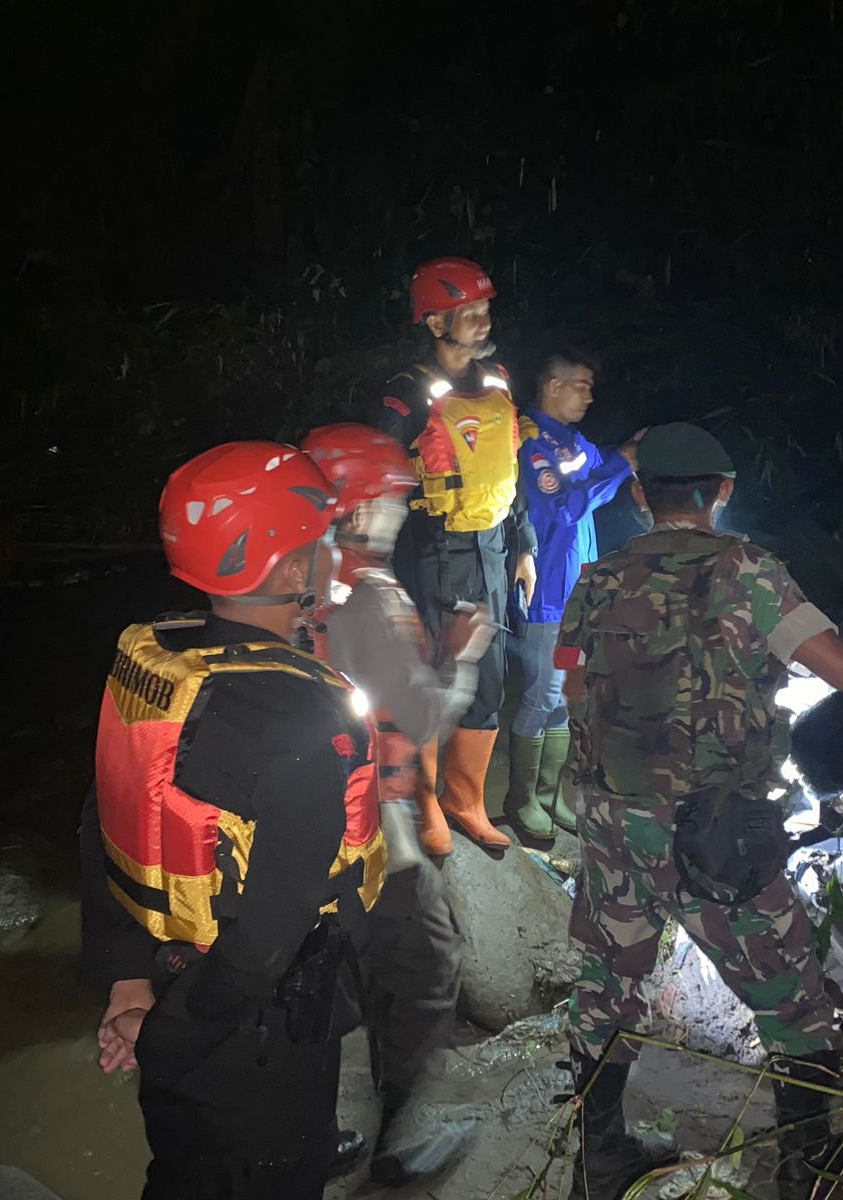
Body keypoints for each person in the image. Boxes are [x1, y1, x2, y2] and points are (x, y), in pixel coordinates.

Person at [556, 422, 843, 1200]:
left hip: (614, 822)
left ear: (642, 495)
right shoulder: (749, 571)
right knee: (794, 1006)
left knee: (606, 989)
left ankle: (595, 1166)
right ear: (723, 491)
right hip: (717, 826)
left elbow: (575, 691)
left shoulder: (599, 577)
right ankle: (806, 1176)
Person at [79, 441, 388, 1200]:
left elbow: (101, 820)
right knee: (270, 1173)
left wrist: (128, 986)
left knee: (183, 1168)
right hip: (249, 1029)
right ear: (290, 573)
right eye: (321, 544)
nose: (332, 556)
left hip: (162, 973)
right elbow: (269, 939)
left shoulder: (158, 661)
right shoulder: (306, 718)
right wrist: (170, 1036)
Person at [298, 422, 491, 1185]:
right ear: (356, 505)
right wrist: (465, 656)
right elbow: (425, 716)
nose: (401, 512)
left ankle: (321, 1131)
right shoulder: (375, 596)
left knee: (338, 974)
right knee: (426, 963)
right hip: (376, 825)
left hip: (306, 823)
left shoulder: (298, 578)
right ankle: (411, 1142)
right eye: (390, 498)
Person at [376, 256, 538, 850]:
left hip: (493, 547)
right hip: (434, 550)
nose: (481, 320)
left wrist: (524, 546)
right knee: (434, 676)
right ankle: (422, 802)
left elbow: (510, 470)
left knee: (488, 678)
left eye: (484, 310)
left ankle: (464, 799)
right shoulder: (407, 392)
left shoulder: (497, 379)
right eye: (468, 313)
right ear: (435, 322)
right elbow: (378, 476)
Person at [507, 351, 638, 841]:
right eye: (580, 385)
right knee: (542, 693)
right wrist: (622, 465)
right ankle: (519, 798)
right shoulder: (532, 445)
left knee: (565, 694)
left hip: (579, 589)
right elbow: (563, 507)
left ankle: (548, 795)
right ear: (553, 386)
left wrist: (628, 456)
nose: (589, 394)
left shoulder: (573, 443)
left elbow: (599, 469)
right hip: (547, 589)